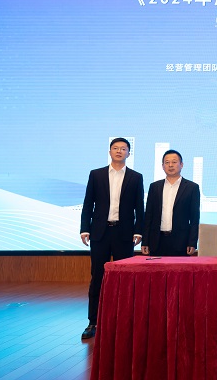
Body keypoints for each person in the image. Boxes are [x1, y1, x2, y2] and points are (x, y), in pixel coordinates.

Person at [80, 137, 144, 339]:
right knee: (97, 276)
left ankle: (123, 321)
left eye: (123, 149)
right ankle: (93, 321)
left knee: (124, 278)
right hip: (99, 232)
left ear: (128, 153)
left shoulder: (136, 177)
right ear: (109, 152)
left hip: (124, 233)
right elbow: (88, 203)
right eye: (115, 148)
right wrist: (84, 228)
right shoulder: (96, 174)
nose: (119, 151)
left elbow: (139, 207)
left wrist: (138, 231)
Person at [141, 150, 200, 257]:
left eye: (174, 162)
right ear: (162, 166)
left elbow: (194, 218)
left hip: (181, 241)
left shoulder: (192, 187)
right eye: (167, 162)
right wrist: (145, 241)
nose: (170, 165)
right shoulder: (154, 187)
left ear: (181, 165)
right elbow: (148, 215)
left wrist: (192, 242)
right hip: (157, 241)